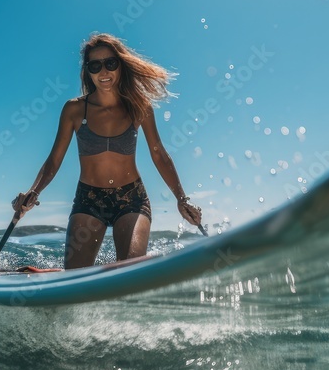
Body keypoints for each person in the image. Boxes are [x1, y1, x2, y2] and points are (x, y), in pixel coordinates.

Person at [11, 33, 203, 269]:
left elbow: (159, 154)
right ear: (87, 71)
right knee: (75, 277)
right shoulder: (74, 110)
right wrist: (33, 192)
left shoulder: (139, 106)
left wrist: (181, 199)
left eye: (110, 63)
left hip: (131, 198)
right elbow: (54, 160)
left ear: (120, 65)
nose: (104, 72)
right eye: (95, 65)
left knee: (129, 269)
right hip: (89, 199)